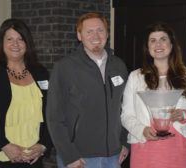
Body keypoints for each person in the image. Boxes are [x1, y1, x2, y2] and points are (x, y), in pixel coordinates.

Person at [46, 13, 129, 168]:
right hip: (80, 158)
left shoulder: (119, 66)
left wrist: (125, 142)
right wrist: (69, 155)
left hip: (114, 156)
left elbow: (126, 108)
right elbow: (54, 116)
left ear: (107, 33)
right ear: (79, 35)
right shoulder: (65, 67)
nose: (95, 36)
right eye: (89, 31)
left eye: (100, 30)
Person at [121, 22, 186, 168]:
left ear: (172, 45)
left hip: (179, 149)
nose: (158, 44)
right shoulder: (135, 77)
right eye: (153, 40)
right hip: (144, 148)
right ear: (148, 48)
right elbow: (126, 115)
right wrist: (141, 130)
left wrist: (184, 115)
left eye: (163, 39)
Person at [0, 18, 52, 168]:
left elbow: (51, 112)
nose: (15, 44)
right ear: (1, 43)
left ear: (27, 43)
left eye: (20, 39)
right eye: (10, 39)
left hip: (33, 158)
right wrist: (4, 145)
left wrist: (43, 145)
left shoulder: (40, 73)